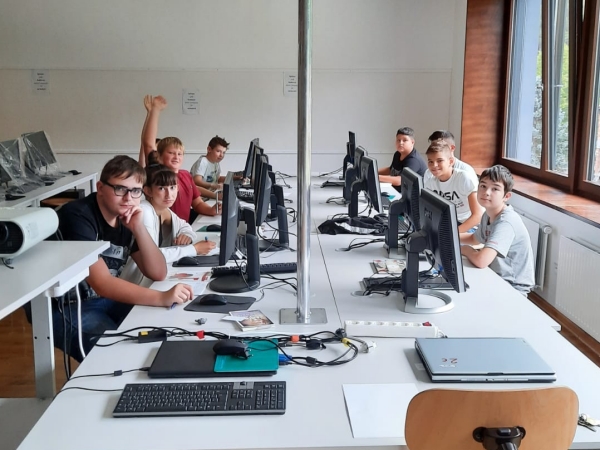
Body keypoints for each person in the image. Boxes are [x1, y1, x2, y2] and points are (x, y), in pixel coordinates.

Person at [50, 155, 194, 361]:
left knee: (165, 326)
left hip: (104, 300)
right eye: (120, 189)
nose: (128, 198)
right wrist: (161, 297)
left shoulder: (125, 218)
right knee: (116, 355)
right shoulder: (78, 216)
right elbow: (102, 283)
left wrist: (138, 228)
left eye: (135, 191)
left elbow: (158, 272)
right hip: (66, 308)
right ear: (100, 188)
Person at [121, 164, 217, 286]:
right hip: (135, 284)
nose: (169, 194)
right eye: (161, 188)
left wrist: (186, 234)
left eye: (172, 187)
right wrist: (194, 249)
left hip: (149, 281)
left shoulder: (163, 209)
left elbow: (185, 226)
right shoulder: (144, 211)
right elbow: (153, 257)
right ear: (148, 190)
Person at [140, 95, 220, 222]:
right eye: (171, 153)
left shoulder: (186, 175)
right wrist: (155, 111)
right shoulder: (157, 174)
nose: (176, 157)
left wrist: (212, 210)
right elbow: (148, 144)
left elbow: (198, 203)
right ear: (159, 156)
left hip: (183, 229)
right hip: (165, 231)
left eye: (180, 154)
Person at [460, 165, 535, 295]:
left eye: (495, 189)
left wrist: (465, 250)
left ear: (506, 196)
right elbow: (474, 238)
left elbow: (481, 261)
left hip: (513, 288)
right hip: (495, 277)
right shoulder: (488, 213)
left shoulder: (506, 222)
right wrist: (445, 235)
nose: (486, 192)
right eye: (483, 186)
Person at [424, 139, 483, 233]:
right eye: (430, 161)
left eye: (439, 160)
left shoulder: (463, 178)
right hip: (448, 223)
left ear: (450, 161)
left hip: (468, 225)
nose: (434, 165)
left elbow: (477, 216)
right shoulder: (430, 183)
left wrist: (453, 234)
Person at [378, 127, 427, 193]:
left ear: (412, 142)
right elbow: (391, 170)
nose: (401, 143)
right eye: (398, 140)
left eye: (405, 140)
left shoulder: (414, 160)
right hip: (397, 191)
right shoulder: (397, 154)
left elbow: (400, 180)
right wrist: (373, 171)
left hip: (411, 196)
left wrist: (376, 177)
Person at [190, 136, 230, 200]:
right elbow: (196, 181)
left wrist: (233, 178)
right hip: (201, 197)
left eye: (223, 152)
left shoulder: (216, 163)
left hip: (210, 195)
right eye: (218, 151)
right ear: (209, 149)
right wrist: (213, 185)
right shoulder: (203, 161)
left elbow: (218, 178)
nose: (221, 155)